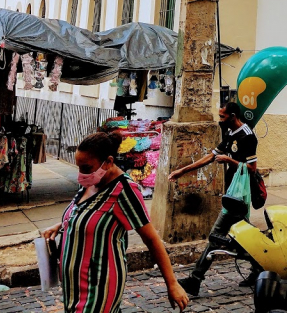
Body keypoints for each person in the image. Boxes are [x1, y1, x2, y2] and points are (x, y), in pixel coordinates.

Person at [42, 129, 187, 313]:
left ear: (109, 162)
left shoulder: (124, 190)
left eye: (86, 168)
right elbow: (88, 213)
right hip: (73, 287)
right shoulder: (91, 182)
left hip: (99, 286)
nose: (81, 174)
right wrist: (64, 224)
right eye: (78, 167)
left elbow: (151, 239)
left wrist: (172, 284)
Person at [168, 101, 259, 297]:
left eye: (223, 116)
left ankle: (195, 279)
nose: (220, 120)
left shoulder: (247, 136)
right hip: (231, 193)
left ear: (233, 116)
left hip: (240, 194)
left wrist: (230, 161)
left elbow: (252, 168)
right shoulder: (229, 133)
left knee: (216, 235)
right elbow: (211, 156)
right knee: (244, 237)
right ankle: (260, 268)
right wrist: (182, 171)